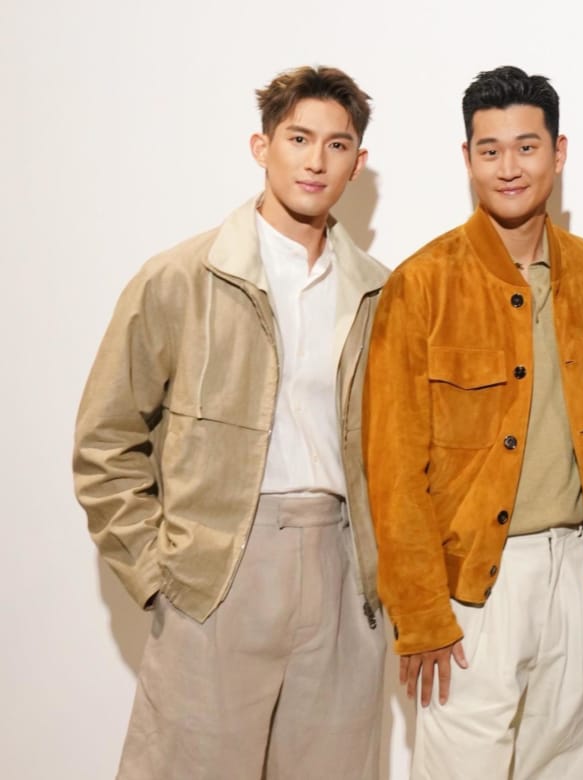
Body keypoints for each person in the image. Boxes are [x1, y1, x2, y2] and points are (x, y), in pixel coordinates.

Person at [73, 65, 388, 779]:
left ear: (357, 163)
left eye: (337, 145)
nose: (315, 160)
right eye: (298, 138)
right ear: (261, 146)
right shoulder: (182, 276)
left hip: (342, 572)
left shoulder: (379, 291)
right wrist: (158, 573)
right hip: (218, 569)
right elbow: (105, 440)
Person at [363, 65, 583, 779]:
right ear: (468, 158)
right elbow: (392, 465)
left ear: (559, 153)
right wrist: (419, 612)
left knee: (570, 766)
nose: (509, 167)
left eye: (526, 147)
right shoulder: (422, 283)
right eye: (490, 150)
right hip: (474, 580)